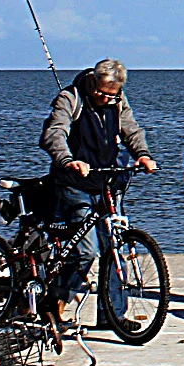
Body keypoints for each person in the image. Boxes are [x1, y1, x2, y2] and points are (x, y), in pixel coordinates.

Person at [40, 58, 159, 322]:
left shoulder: (118, 101)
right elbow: (54, 133)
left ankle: (113, 317)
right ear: (93, 81)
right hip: (75, 184)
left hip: (106, 183)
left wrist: (143, 155)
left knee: (115, 248)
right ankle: (54, 301)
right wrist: (68, 161)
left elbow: (131, 130)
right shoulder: (70, 98)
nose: (105, 98)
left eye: (111, 94)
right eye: (101, 92)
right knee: (85, 250)